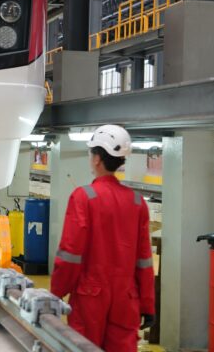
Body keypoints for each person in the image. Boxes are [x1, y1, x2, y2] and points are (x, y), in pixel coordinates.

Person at [50, 125, 155, 352]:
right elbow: (144, 260)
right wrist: (147, 304)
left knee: (83, 348)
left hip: (90, 297)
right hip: (126, 299)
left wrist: (55, 293)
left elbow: (70, 254)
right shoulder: (137, 202)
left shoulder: (84, 197)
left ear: (97, 158)